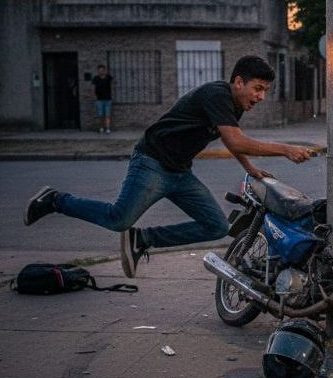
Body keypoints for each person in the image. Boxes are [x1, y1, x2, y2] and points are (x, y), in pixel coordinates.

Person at [24, 55, 313, 278]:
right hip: (152, 162)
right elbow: (236, 141)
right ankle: (54, 200)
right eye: (258, 88)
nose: (261, 97)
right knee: (118, 219)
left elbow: (230, 140)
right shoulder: (217, 95)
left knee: (216, 226)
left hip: (179, 172)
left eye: (265, 91)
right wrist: (285, 149)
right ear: (239, 82)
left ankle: (143, 239)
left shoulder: (235, 105)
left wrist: (249, 168)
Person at [91, 64, 114, 134]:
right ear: (98, 71)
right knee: (101, 115)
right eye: (99, 71)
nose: (101, 72)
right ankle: (101, 128)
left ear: (104, 71)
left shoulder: (108, 77)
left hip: (108, 99)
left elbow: (114, 81)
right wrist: (94, 96)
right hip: (99, 100)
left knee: (107, 115)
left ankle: (107, 129)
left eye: (102, 70)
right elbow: (93, 88)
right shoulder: (96, 78)